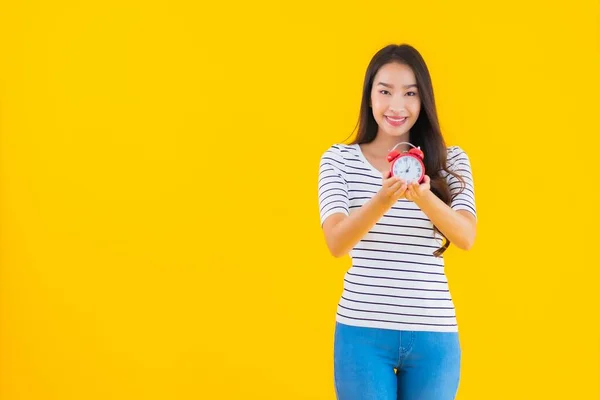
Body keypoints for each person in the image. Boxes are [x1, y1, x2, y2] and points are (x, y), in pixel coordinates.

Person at [317, 44, 477, 400]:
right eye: (385, 91)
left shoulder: (451, 161)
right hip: (362, 332)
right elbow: (336, 243)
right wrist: (383, 197)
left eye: (410, 93)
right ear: (369, 96)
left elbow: (466, 236)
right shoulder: (338, 160)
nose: (396, 106)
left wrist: (422, 195)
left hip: (433, 334)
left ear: (423, 101)